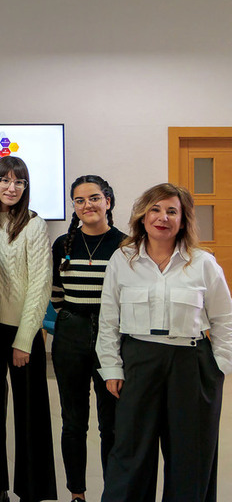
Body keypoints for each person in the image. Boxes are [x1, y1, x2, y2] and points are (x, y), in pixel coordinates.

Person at [97, 183, 232, 502]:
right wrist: (111, 367)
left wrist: (218, 369)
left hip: (191, 363)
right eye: (155, 210)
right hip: (139, 361)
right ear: (143, 217)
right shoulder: (123, 259)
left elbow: (225, 319)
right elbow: (108, 319)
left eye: (172, 211)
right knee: (130, 453)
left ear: (183, 220)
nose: (163, 217)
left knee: (191, 456)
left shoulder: (202, 262)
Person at [0, 156, 57, 502]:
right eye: (4, 180)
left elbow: (40, 285)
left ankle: (32, 489)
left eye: (19, 182)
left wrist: (24, 339)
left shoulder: (34, 224)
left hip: (23, 331)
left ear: (26, 187)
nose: (11, 187)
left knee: (31, 414)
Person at [50, 175, 124, 502]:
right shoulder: (63, 244)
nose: (87, 206)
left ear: (108, 200)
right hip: (71, 335)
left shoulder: (126, 245)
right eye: (79, 201)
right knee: (73, 422)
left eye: (94, 198)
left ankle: (113, 491)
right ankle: (76, 493)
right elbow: (55, 295)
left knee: (112, 425)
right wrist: (72, 321)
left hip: (112, 337)